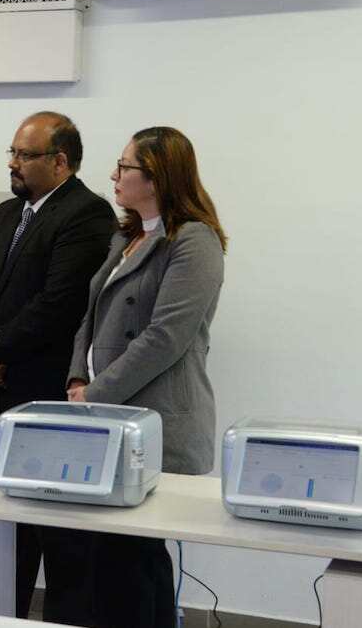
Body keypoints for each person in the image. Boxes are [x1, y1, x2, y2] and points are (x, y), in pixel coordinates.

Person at [0, 112, 116, 621]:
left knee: (61, 531)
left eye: (24, 155)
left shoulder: (88, 214)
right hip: (0, 394)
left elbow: (59, 304)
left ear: (61, 161)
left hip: (50, 396)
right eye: (13, 152)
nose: (13, 163)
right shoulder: (6, 213)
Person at [67, 126, 227, 628]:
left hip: (156, 422)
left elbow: (164, 338)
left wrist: (95, 393)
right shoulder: (128, 237)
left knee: (129, 560)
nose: (114, 176)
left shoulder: (193, 241)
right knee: (119, 558)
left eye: (125, 167)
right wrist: (77, 378)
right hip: (107, 416)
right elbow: (89, 317)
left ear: (155, 178)